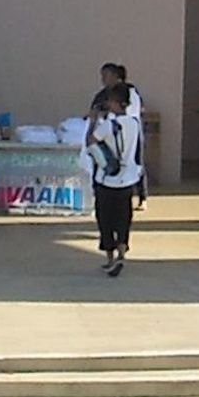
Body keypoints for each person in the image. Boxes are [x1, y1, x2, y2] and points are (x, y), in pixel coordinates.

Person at [86, 81, 148, 277]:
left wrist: (94, 120)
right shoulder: (135, 124)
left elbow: (91, 141)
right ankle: (122, 253)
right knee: (123, 218)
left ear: (114, 102)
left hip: (107, 179)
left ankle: (110, 258)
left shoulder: (108, 126)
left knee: (105, 219)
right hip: (127, 179)